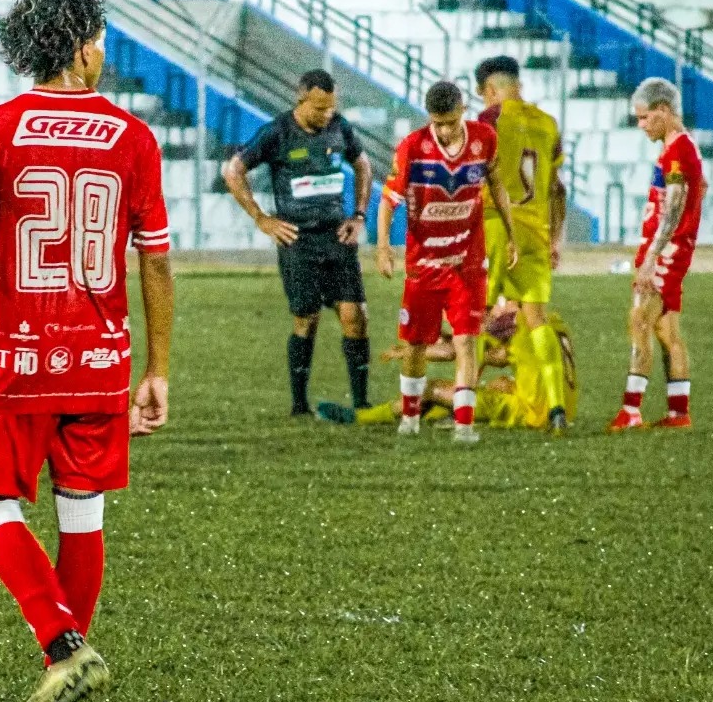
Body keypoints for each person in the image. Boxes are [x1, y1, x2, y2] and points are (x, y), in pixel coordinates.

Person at [0, 0, 174, 702]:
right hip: (102, 358)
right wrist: (158, 368)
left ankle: (63, 647)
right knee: (84, 514)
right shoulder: (134, 137)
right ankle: (69, 660)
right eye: (100, 39)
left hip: (20, 359)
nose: (103, 52)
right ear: (78, 46)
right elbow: (156, 260)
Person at [221, 70, 373, 417]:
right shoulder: (276, 132)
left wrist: (360, 216)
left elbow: (363, 166)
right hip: (298, 239)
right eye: (319, 108)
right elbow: (233, 171)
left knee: (355, 316)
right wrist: (262, 218)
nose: (326, 115)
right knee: (306, 317)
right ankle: (299, 404)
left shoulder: (340, 127)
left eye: (331, 108)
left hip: (338, 235)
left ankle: (362, 401)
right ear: (300, 99)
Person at [375, 80, 516, 443]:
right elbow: (388, 201)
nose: (445, 130)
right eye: (438, 123)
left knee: (467, 340)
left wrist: (512, 233)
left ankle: (464, 425)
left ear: (463, 111)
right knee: (416, 344)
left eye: (451, 122)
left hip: (467, 262)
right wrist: (382, 247)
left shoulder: (484, 139)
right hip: (424, 264)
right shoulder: (412, 148)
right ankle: (410, 416)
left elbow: (496, 183)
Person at [474, 54, 570, 433]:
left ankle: (463, 401)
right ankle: (557, 407)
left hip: (495, 227)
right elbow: (557, 190)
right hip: (535, 233)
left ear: (491, 91)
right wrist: (556, 238)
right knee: (536, 321)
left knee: (475, 318)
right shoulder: (548, 124)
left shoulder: (490, 120)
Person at [608, 76, 705, 431]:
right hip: (673, 251)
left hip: (667, 252)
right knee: (667, 331)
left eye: (645, 117)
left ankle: (631, 411)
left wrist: (652, 256)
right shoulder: (678, 147)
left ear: (664, 110)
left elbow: (674, 208)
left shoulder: (678, 150)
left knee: (639, 322)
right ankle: (679, 414)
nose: (641, 124)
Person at [322, 302, 578, 430]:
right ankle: (442, 414)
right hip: (565, 407)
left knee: (430, 389)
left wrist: (412, 351)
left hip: (532, 413)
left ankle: (359, 417)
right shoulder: (544, 317)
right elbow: (495, 355)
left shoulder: (506, 320)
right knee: (498, 384)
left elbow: (457, 350)